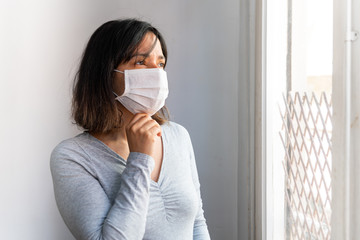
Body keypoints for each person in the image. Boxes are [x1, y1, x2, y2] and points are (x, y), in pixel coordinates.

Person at [50, 18, 211, 240]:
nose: (157, 73)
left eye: (161, 63)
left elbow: (197, 224)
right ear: (106, 73)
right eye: (141, 62)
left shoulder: (178, 136)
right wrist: (140, 159)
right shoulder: (72, 157)